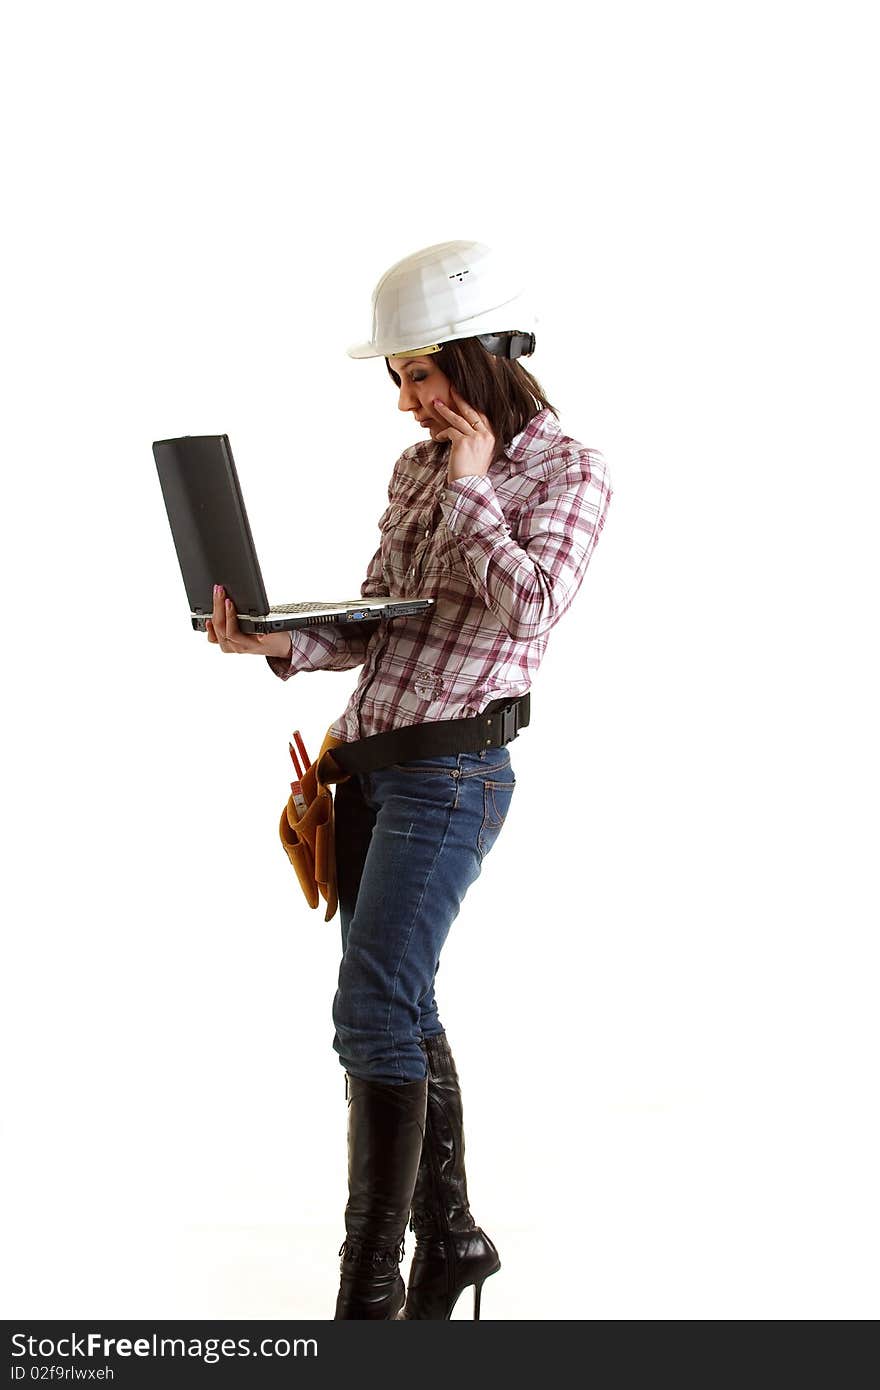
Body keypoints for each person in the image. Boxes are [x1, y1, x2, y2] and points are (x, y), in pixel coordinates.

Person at [205, 240, 613, 1320]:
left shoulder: (570, 470)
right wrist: (278, 643)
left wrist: (477, 492)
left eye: (419, 375)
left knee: (371, 1011)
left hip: (453, 775)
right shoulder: (415, 468)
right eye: (396, 379)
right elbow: (386, 610)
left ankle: (367, 1294)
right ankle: (455, 1242)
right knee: (402, 1003)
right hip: (370, 773)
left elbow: (531, 606)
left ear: (482, 358)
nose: (404, 404)